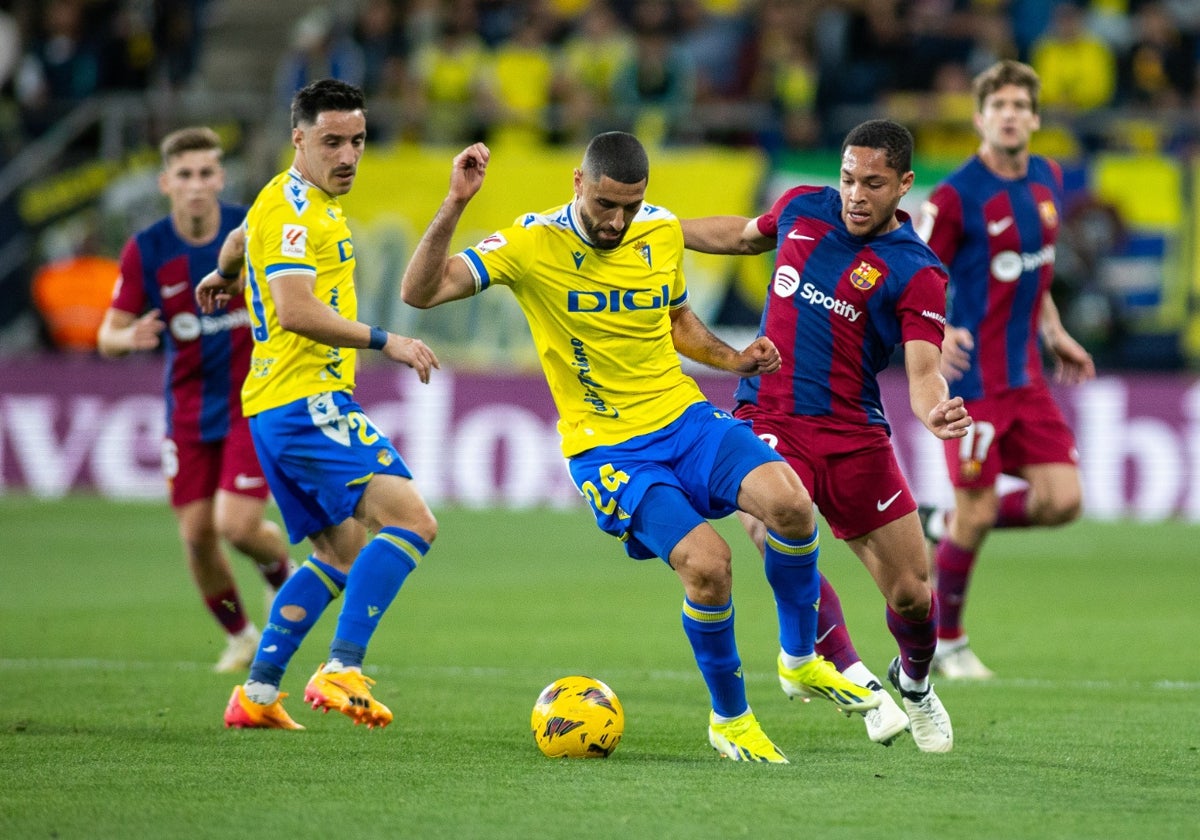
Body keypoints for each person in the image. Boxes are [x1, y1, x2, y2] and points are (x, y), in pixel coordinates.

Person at [400, 131, 880, 763]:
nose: (618, 220)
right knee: (708, 566)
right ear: (577, 183)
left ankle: (798, 659)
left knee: (791, 504)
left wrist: (734, 358)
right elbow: (420, 291)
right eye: (605, 205)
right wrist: (456, 202)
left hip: (683, 419)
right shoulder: (529, 242)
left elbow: (677, 321)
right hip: (610, 451)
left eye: (630, 205)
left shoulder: (656, 231)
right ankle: (731, 720)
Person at [682, 119, 969, 754]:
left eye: (872, 183)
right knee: (773, 521)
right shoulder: (803, 207)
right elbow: (740, 236)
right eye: (847, 179)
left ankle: (915, 684)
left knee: (913, 597)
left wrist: (935, 413)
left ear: (903, 185)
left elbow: (923, 375)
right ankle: (852, 674)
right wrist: (660, 228)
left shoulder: (918, 272)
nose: (855, 195)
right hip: (771, 417)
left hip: (854, 435)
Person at [196, 78, 441, 731]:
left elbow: (238, 240)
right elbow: (296, 309)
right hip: (306, 402)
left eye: (358, 140)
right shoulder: (299, 214)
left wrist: (222, 276)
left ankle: (257, 693)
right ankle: (341, 668)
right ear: (298, 139)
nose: (348, 155)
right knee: (413, 523)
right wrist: (387, 341)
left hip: (275, 409)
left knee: (340, 551)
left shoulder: (277, 198)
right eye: (332, 141)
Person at [915, 60, 1095, 680]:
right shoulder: (954, 196)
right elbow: (915, 274)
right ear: (980, 118)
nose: (1012, 114)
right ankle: (948, 643)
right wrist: (940, 334)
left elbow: (1034, 269)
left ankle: (942, 523)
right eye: (1000, 106)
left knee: (1063, 500)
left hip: (1028, 380)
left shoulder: (1047, 177)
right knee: (981, 510)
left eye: (1022, 105)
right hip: (974, 387)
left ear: (1036, 118)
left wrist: (1054, 330)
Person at [97, 126, 293, 673]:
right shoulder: (148, 250)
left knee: (236, 526)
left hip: (250, 402)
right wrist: (126, 338)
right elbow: (105, 334)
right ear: (166, 182)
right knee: (198, 536)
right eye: (185, 175)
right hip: (185, 412)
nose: (197, 185)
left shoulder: (248, 231)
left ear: (221, 178)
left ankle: (282, 576)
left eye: (206, 173)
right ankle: (241, 635)